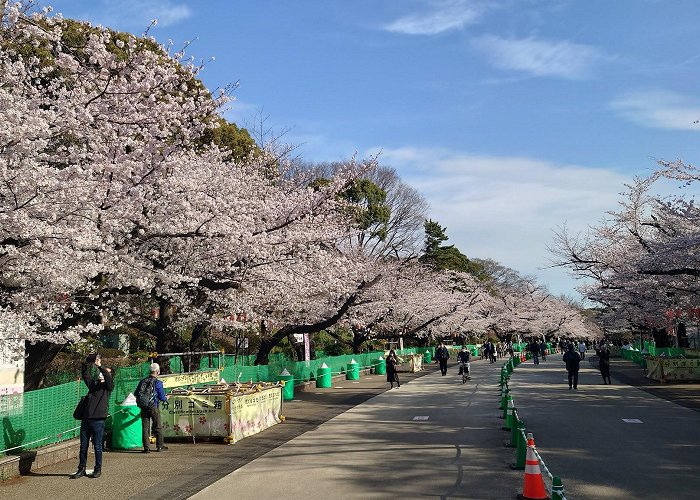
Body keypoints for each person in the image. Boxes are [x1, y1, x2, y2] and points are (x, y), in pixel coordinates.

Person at [70, 353, 114, 479]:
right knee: (83, 446)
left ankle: (97, 469)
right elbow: (86, 376)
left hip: (98, 420)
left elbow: (108, 378)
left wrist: (100, 366)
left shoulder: (108, 387)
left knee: (98, 446)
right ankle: (81, 468)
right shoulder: (94, 385)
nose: (103, 373)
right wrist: (85, 364)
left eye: (106, 372)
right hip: (86, 419)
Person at [136, 362, 170, 453]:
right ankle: (159, 446)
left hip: (143, 406)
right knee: (157, 426)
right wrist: (167, 398)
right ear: (158, 372)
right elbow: (162, 398)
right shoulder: (158, 383)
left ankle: (146, 448)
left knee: (145, 427)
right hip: (154, 406)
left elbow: (136, 393)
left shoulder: (142, 381)